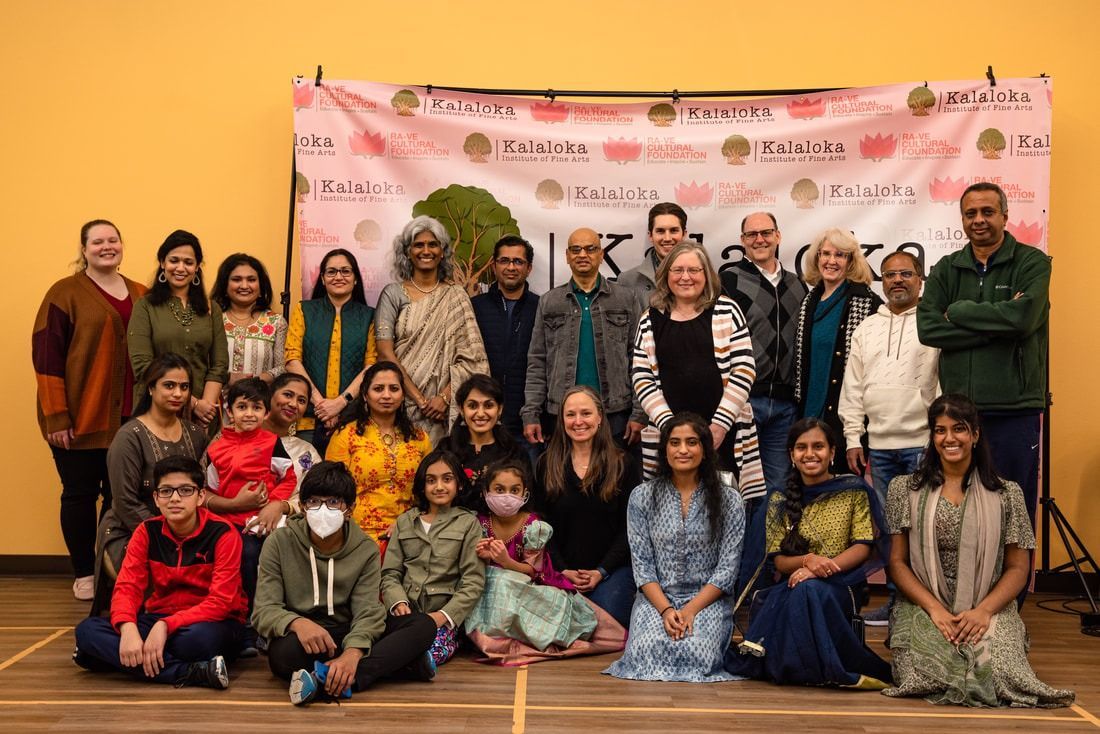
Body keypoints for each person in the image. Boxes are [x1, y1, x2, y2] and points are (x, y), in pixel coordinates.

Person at [882, 394, 1073, 707]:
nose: (949, 438)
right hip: (925, 604)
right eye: (940, 430)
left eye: (959, 429)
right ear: (932, 437)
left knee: (1004, 675)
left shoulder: (1007, 494)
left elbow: (1018, 568)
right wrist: (935, 610)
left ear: (975, 434)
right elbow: (897, 563)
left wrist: (984, 611)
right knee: (921, 675)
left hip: (987, 603)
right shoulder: (905, 489)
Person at [917, 182, 1050, 542]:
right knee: (963, 514)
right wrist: (998, 329)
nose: (978, 220)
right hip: (960, 414)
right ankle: (968, 581)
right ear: (962, 218)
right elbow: (928, 329)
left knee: (1013, 512)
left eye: (987, 212)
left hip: (1014, 409)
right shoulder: (947, 269)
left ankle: (1013, 583)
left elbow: (1024, 319)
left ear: (1005, 216)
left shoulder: (1032, 263)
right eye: (970, 213)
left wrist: (960, 311)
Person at [252, 461, 437, 706]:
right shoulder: (278, 542)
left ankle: (328, 680)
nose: (322, 510)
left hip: (349, 628)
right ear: (303, 507)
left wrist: (353, 652)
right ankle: (397, 667)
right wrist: (297, 623)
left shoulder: (365, 548)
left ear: (350, 509)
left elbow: (367, 611)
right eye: (314, 502)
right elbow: (264, 610)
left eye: (333, 502)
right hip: (306, 639)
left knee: (423, 624)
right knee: (281, 655)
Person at [725, 418, 892, 688]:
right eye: (801, 447)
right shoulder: (779, 498)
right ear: (792, 455)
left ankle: (803, 668)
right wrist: (807, 561)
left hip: (841, 585)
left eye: (818, 446)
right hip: (793, 583)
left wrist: (817, 570)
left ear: (832, 452)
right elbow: (779, 561)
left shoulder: (852, 490)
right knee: (803, 590)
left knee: (809, 589)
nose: (810, 454)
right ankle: (809, 668)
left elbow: (863, 546)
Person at [34, 219, 147, 600]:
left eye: (113, 239)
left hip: (131, 419)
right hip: (79, 417)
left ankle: (108, 570)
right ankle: (83, 571)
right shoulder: (64, 293)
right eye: (97, 241)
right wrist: (57, 415)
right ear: (84, 250)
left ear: (122, 245)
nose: (106, 246)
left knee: (120, 498)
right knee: (80, 494)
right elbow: (46, 356)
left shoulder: (141, 293)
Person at [73, 456, 248, 689]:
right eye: (166, 491)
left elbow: (221, 602)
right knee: (87, 631)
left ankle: (114, 658)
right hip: (158, 617)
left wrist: (166, 626)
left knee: (197, 642)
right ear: (156, 498)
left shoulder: (223, 533)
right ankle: (191, 672)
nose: (174, 498)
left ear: (200, 496)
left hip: (210, 622)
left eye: (185, 490)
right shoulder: (147, 531)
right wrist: (128, 628)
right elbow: (127, 587)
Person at [604, 413, 746, 682]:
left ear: (705, 449)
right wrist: (667, 610)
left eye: (692, 442)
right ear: (664, 449)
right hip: (657, 599)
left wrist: (691, 610)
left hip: (707, 600)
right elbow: (643, 566)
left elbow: (728, 570)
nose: (683, 450)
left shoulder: (729, 500)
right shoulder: (642, 496)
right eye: (675, 442)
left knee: (698, 653)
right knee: (646, 651)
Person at [839, 250, 940, 624]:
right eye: (890, 274)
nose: (897, 280)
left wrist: (938, 437)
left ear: (920, 280)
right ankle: (899, 602)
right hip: (879, 448)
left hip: (922, 444)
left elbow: (942, 385)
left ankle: (925, 605)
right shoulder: (867, 328)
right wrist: (853, 437)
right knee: (890, 530)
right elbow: (852, 387)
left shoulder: (933, 324)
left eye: (906, 273)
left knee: (924, 527)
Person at [632, 241, 765, 503]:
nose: (685, 277)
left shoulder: (727, 311)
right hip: (670, 440)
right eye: (678, 270)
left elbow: (744, 369)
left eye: (694, 270)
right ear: (666, 275)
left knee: (726, 510)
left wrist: (719, 426)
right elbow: (642, 377)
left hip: (723, 436)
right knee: (669, 509)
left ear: (706, 274)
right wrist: (672, 431)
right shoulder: (650, 319)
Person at [464, 458, 625, 664]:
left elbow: (533, 571)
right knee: (494, 579)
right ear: (486, 492)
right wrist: (482, 558)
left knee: (503, 580)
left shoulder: (534, 526)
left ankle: (517, 639)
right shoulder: (477, 523)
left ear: (525, 494)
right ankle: (496, 639)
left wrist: (505, 561)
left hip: (530, 586)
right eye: (499, 489)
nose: (506, 496)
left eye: (514, 490)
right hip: (492, 589)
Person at [94, 354, 208, 614]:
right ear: (150, 388)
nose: (178, 393)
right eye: (169, 385)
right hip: (132, 531)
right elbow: (125, 502)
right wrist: (167, 537)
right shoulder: (129, 437)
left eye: (184, 387)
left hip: (187, 530)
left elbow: (203, 490)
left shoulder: (195, 434)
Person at [522, 227, 646, 452]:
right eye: (576, 249)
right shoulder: (549, 302)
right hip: (563, 416)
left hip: (616, 415)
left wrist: (639, 412)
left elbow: (639, 359)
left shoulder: (626, 298)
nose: (582, 254)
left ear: (601, 254)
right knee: (565, 474)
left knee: (616, 474)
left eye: (590, 249)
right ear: (567, 256)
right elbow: (537, 361)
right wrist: (531, 412)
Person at [375, 216, 489, 445]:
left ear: (442, 252)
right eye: (418, 245)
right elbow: (385, 352)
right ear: (407, 252)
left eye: (433, 244)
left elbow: (473, 359)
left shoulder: (456, 295)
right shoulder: (393, 294)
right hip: (400, 403)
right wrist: (420, 400)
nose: (426, 251)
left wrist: (444, 398)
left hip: (443, 412)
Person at [201, 377, 296, 649]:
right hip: (228, 522)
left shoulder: (271, 442)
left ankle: (267, 623)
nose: (249, 414)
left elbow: (288, 478)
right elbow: (211, 489)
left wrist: (271, 506)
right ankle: (242, 624)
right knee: (240, 557)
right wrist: (232, 505)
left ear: (266, 413)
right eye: (242, 407)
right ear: (229, 411)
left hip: (265, 520)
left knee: (267, 558)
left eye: (256, 407)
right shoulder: (216, 449)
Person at [720, 212, 807, 496]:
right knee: (738, 485)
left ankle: (770, 530)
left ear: (778, 236)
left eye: (766, 233)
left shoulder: (797, 284)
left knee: (778, 487)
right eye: (752, 234)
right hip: (744, 401)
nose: (760, 239)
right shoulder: (728, 280)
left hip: (785, 404)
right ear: (742, 240)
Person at [540, 386, 641, 627]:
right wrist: (562, 569)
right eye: (570, 414)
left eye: (585, 413)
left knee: (606, 621)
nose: (578, 421)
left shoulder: (622, 464)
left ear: (600, 417)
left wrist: (601, 571)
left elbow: (631, 528)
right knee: (559, 624)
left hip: (612, 570)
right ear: (562, 419)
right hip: (561, 570)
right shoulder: (547, 463)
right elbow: (541, 524)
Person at [381, 450, 486, 666]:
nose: (439, 486)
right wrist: (398, 602)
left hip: (442, 619)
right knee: (373, 638)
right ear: (422, 486)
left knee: (429, 651)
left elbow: (473, 581)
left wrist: (443, 616)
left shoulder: (468, 524)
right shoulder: (405, 521)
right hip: (405, 615)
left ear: (459, 484)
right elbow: (390, 573)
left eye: (447, 479)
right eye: (431, 480)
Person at [793, 228, 882, 474]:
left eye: (840, 255)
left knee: (843, 486)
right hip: (807, 413)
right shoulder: (808, 301)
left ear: (851, 261)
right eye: (826, 254)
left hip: (845, 420)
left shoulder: (867, 303)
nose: (831, 261)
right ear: (817, 257)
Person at [128, 230, 228, 428]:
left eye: (188, 262)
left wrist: (205, 407)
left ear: (197, 267)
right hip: (155, 411)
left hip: (202, 417)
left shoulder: (211, 308)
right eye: (174, 260)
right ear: (162, 263)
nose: (180, 268)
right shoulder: (145, 306)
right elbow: (142, 365)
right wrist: (192, 403)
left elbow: (219, 365)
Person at [325, 361, 432, 541]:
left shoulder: (420, 438)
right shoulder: (346, 435)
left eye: (394, 389)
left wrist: (408, 522)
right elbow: (330, 490)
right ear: (365, 395)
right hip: (356, 534)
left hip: (410, 533)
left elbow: (429, 492)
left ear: (403, 395)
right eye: (378, 389)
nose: (387, 395)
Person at [285, 248, 376, 457]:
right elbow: (292, 359)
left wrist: (340, 403)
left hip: (352, 420)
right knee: (305, 473)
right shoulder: (304, 310)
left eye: (345, 271)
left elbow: (371, 366)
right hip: (307, 418)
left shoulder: (369, 316)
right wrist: (320, 404)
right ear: (323, 279)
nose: (338, 277)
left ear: (355, 278)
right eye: (331, 272)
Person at [471, 235, 539, 453]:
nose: (511, 267)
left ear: (528, 268)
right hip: (482, 421)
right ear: (494, 266)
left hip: (527, 425)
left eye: (518, 261)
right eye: (504, 261)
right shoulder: (474, 307)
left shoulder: (541, 307)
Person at [437, 374, 531, 503]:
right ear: (461, 409)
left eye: (488, 405)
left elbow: (528, 501)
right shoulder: (446, 449)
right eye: (472, 406)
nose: (480, 414)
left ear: (499, 409)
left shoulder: (514, 453)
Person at [210, 253, 286, 388]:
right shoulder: (211, 319)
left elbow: (283, 368)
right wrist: (227, 377)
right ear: (225, 286)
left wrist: (256, 381)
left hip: (260, 398)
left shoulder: (276, 322)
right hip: (215, 399)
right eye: (236, 279)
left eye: (251, 280)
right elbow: (202, 363)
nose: (244, 286)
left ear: (261, 287)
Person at [262, 372, 324, 506]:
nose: (293, 404)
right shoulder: (238, 435)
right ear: (270, 395)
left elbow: (314, 496)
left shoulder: (306, 452)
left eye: (301, 401)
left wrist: (283, 507)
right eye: (288, 395)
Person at [617, 202, 688, 297]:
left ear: (684, 234)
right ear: (650, 236)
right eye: (660, 231)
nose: (667, 238)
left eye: (673, 231)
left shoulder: (701, 277)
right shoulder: (628, 281)